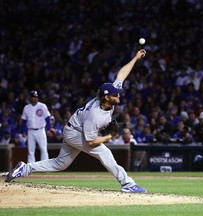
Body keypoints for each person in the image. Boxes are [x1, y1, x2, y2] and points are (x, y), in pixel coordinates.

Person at [5, 49, 147, 193]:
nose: (119, 96)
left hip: (73, 129)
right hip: (76, 133)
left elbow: (121, 75)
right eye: (115, 95)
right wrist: (109, 137)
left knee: (60, 164)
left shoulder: (107, 99)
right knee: (104, 153)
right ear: (106, 97)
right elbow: (90, 142)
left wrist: (135, 58)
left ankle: (25, 168)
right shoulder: (95, 114)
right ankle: (127, 183)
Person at [21, 90, 52, 162]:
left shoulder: (42, 106)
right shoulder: (26, 107)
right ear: (30, 98)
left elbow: (47, 118)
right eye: (33, 97)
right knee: (31, 150)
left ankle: (45, 166)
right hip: (30, 131)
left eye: (36, 97)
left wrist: (48, 129)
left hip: (41, 130)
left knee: (43, 148)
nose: (35, 98)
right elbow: (24, 121)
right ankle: (31, 167)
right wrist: (24, 131)